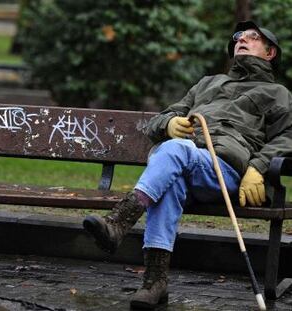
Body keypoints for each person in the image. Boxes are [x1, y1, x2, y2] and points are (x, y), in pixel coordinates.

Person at [83, 20, 292, 309]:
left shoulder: (278, 93)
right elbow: (159, 120)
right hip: (185, 162)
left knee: (176, 150)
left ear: (270, 53)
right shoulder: (208, 83)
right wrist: (168, 123)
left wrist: (257, 167)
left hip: (226, 171)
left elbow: (288, 137)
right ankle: (154, 283)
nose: (242, 39)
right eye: (239, 36)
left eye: (252, 37)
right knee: (171, 181)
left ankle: (119, 222)